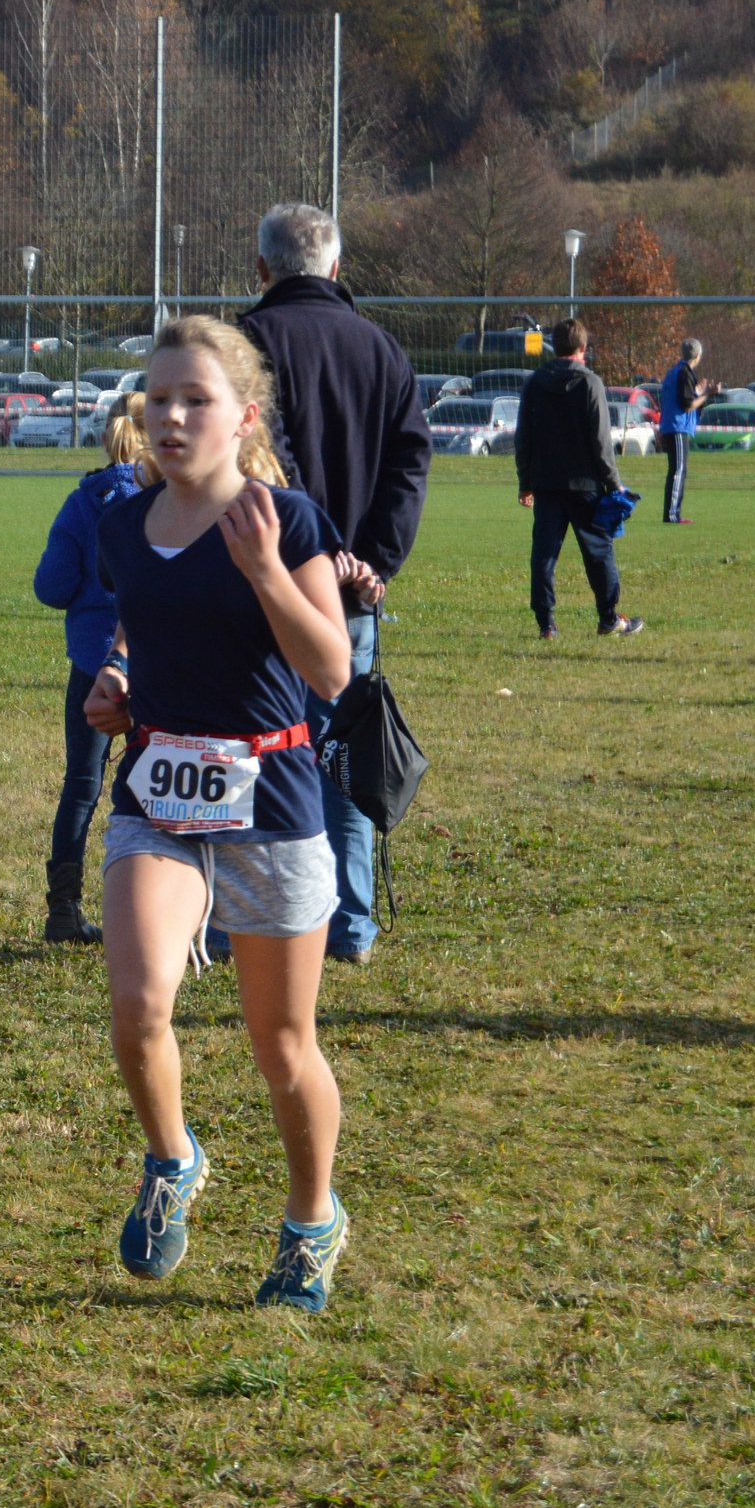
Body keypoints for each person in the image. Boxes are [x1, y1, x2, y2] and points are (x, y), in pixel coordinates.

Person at [82, 316, 359, 1313]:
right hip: (158, 793)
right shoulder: (125, 524)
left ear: (242, 416)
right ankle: (172, 1159)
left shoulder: (286, 519)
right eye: (157, 399)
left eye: (194, 400)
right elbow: (143, 623)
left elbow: (329, 670)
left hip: (271, 802)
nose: (169, 417)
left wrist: (264, 571)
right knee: (137, 1004)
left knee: (280, 1047)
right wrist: (118, 677)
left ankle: (311, 1218)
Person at [237, 201, 430, 967]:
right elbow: (410, 461)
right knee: (344, 760)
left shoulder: (245, 345)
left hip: (261, 589)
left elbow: (241, 460)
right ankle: (349, 924)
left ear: (262, 268)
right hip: (350, 596)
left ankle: (250, 916)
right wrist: (374, 558)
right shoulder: (381, 348)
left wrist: (295, 556)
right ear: (337, 267)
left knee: (251, 750)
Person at [30, 397, 152, 944]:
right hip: (157, 662)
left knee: (81, 785)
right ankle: (155, 912)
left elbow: (51, 587)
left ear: (105, 437)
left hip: (92, 664)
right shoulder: (167, 500)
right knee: (158, 786)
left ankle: (64, 909)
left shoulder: (82, 502)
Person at [515, 319, 643, 640]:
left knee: (544, 555)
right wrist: (613, 483)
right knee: (599, 552)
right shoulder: (590, 383)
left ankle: (546, 624)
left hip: (546, 482)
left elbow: (524, 436)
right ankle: (608, 619)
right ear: (583, 348)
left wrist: (525, 481)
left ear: (554, 346)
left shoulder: (535, 382)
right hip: (585, 484)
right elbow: (601, 441)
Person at [657, 337, 716, 524]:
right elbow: (688, 404)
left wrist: (698, 391)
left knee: (677, 469)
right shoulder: (685, 372)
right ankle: (672, 514)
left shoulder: (676, 371)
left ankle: (672, 512)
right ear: (698, 355)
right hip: (678, 426)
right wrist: (707, 394)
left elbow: (680, 397)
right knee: (678, 471)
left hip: (671, 424)